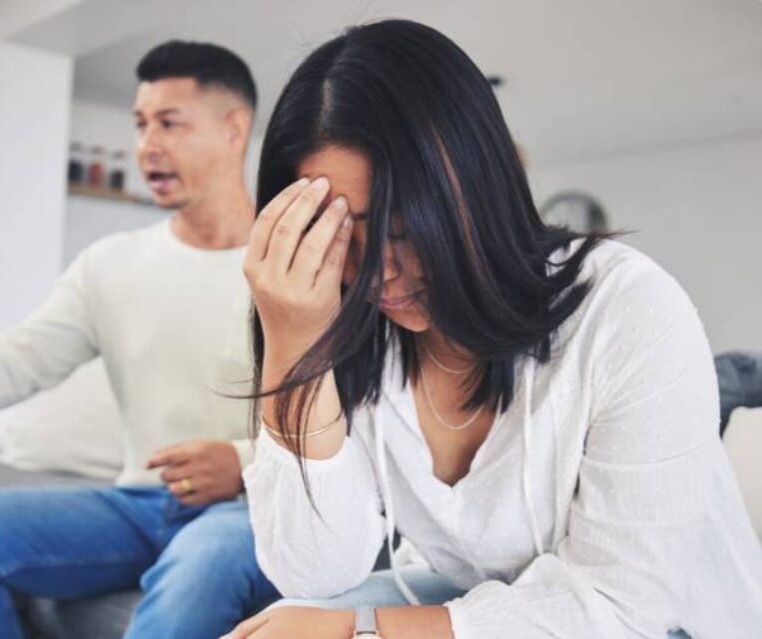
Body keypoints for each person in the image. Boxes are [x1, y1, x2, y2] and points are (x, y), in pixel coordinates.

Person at [227, 20, 762, 639]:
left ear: (477, 188)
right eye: (342, 237)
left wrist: (362, 631)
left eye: (402, 227)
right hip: (502, 605)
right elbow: (314, 572)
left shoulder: (630, 308)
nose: (378, 273)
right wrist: (297, 350)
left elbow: (624, 610)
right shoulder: (348, 321)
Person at [0, 41, 278, 638]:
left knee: (199, 567)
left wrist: (241, 461)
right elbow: (12, 367)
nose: (146, 146)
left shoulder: (290, 264)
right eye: (139, 124)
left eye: (169, 124)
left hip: (253, 513)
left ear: (234, 129)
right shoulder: (110, 264)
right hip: (139, 505)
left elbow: (355, 423)